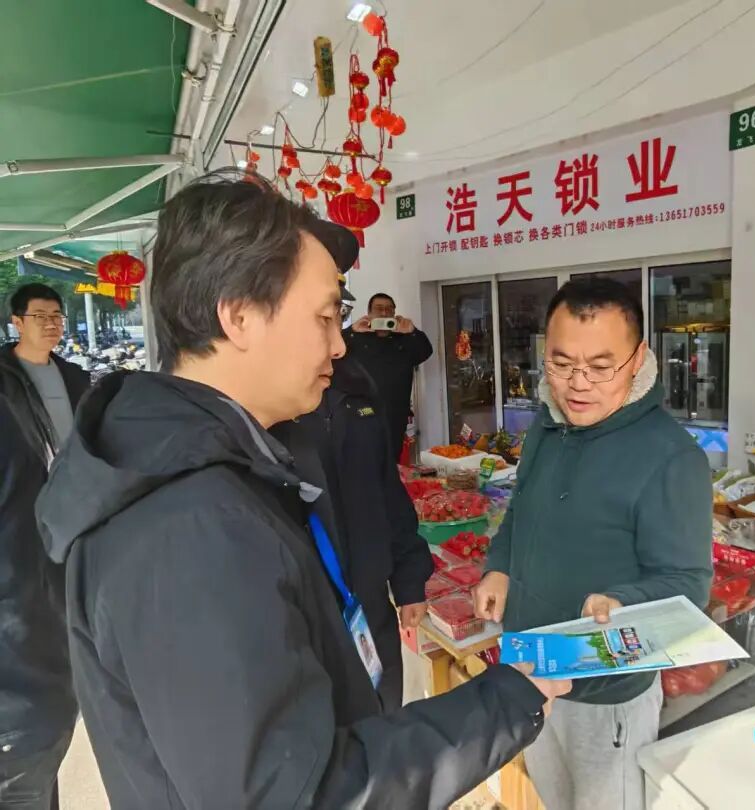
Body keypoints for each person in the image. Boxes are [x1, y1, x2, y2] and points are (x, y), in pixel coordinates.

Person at [35, 172, 568, 809]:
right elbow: (295, 795)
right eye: (324, 317)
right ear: (238, 316)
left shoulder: (226, 468)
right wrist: (503, 701)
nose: (340, 344)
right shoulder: (188, 529)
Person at [473, 277, 713, 810]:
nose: (577, 384)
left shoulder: (671, 458)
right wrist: (499, 566)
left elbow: (690, 583)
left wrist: (625, 601)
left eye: (601, 367)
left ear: (638, 359)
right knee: (550, 797)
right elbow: (521, 511)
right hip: (532, 671)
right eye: (561, 364)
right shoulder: (547, 426)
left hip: (607, 695)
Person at [272, 279, 434, 711]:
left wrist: (409, 580)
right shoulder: (257, 418)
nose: (338, 343)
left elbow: (387, 492)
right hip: (301, 627)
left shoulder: (356, 396)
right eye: (323, 320)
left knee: (385, 716)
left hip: (370, 606)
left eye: (338, 319)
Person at [0, 283, 88, 810]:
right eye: (40, 316)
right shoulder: (4, 379)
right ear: (16, 322)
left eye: (57, 315)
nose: (52, 324)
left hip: (69, 514)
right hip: (20, 521)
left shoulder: (75, 377)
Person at [341, 292, 432, 459]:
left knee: (392, 460)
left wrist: (412, 331)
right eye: (379, 308)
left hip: (395, 415)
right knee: (364, 460)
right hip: (361, 415)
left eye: (389, 309)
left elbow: (425, 352)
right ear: (369, 313)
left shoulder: (403, 338)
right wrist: (352, 330)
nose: (384, 313)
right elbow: (333, 350)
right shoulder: (356, 338)